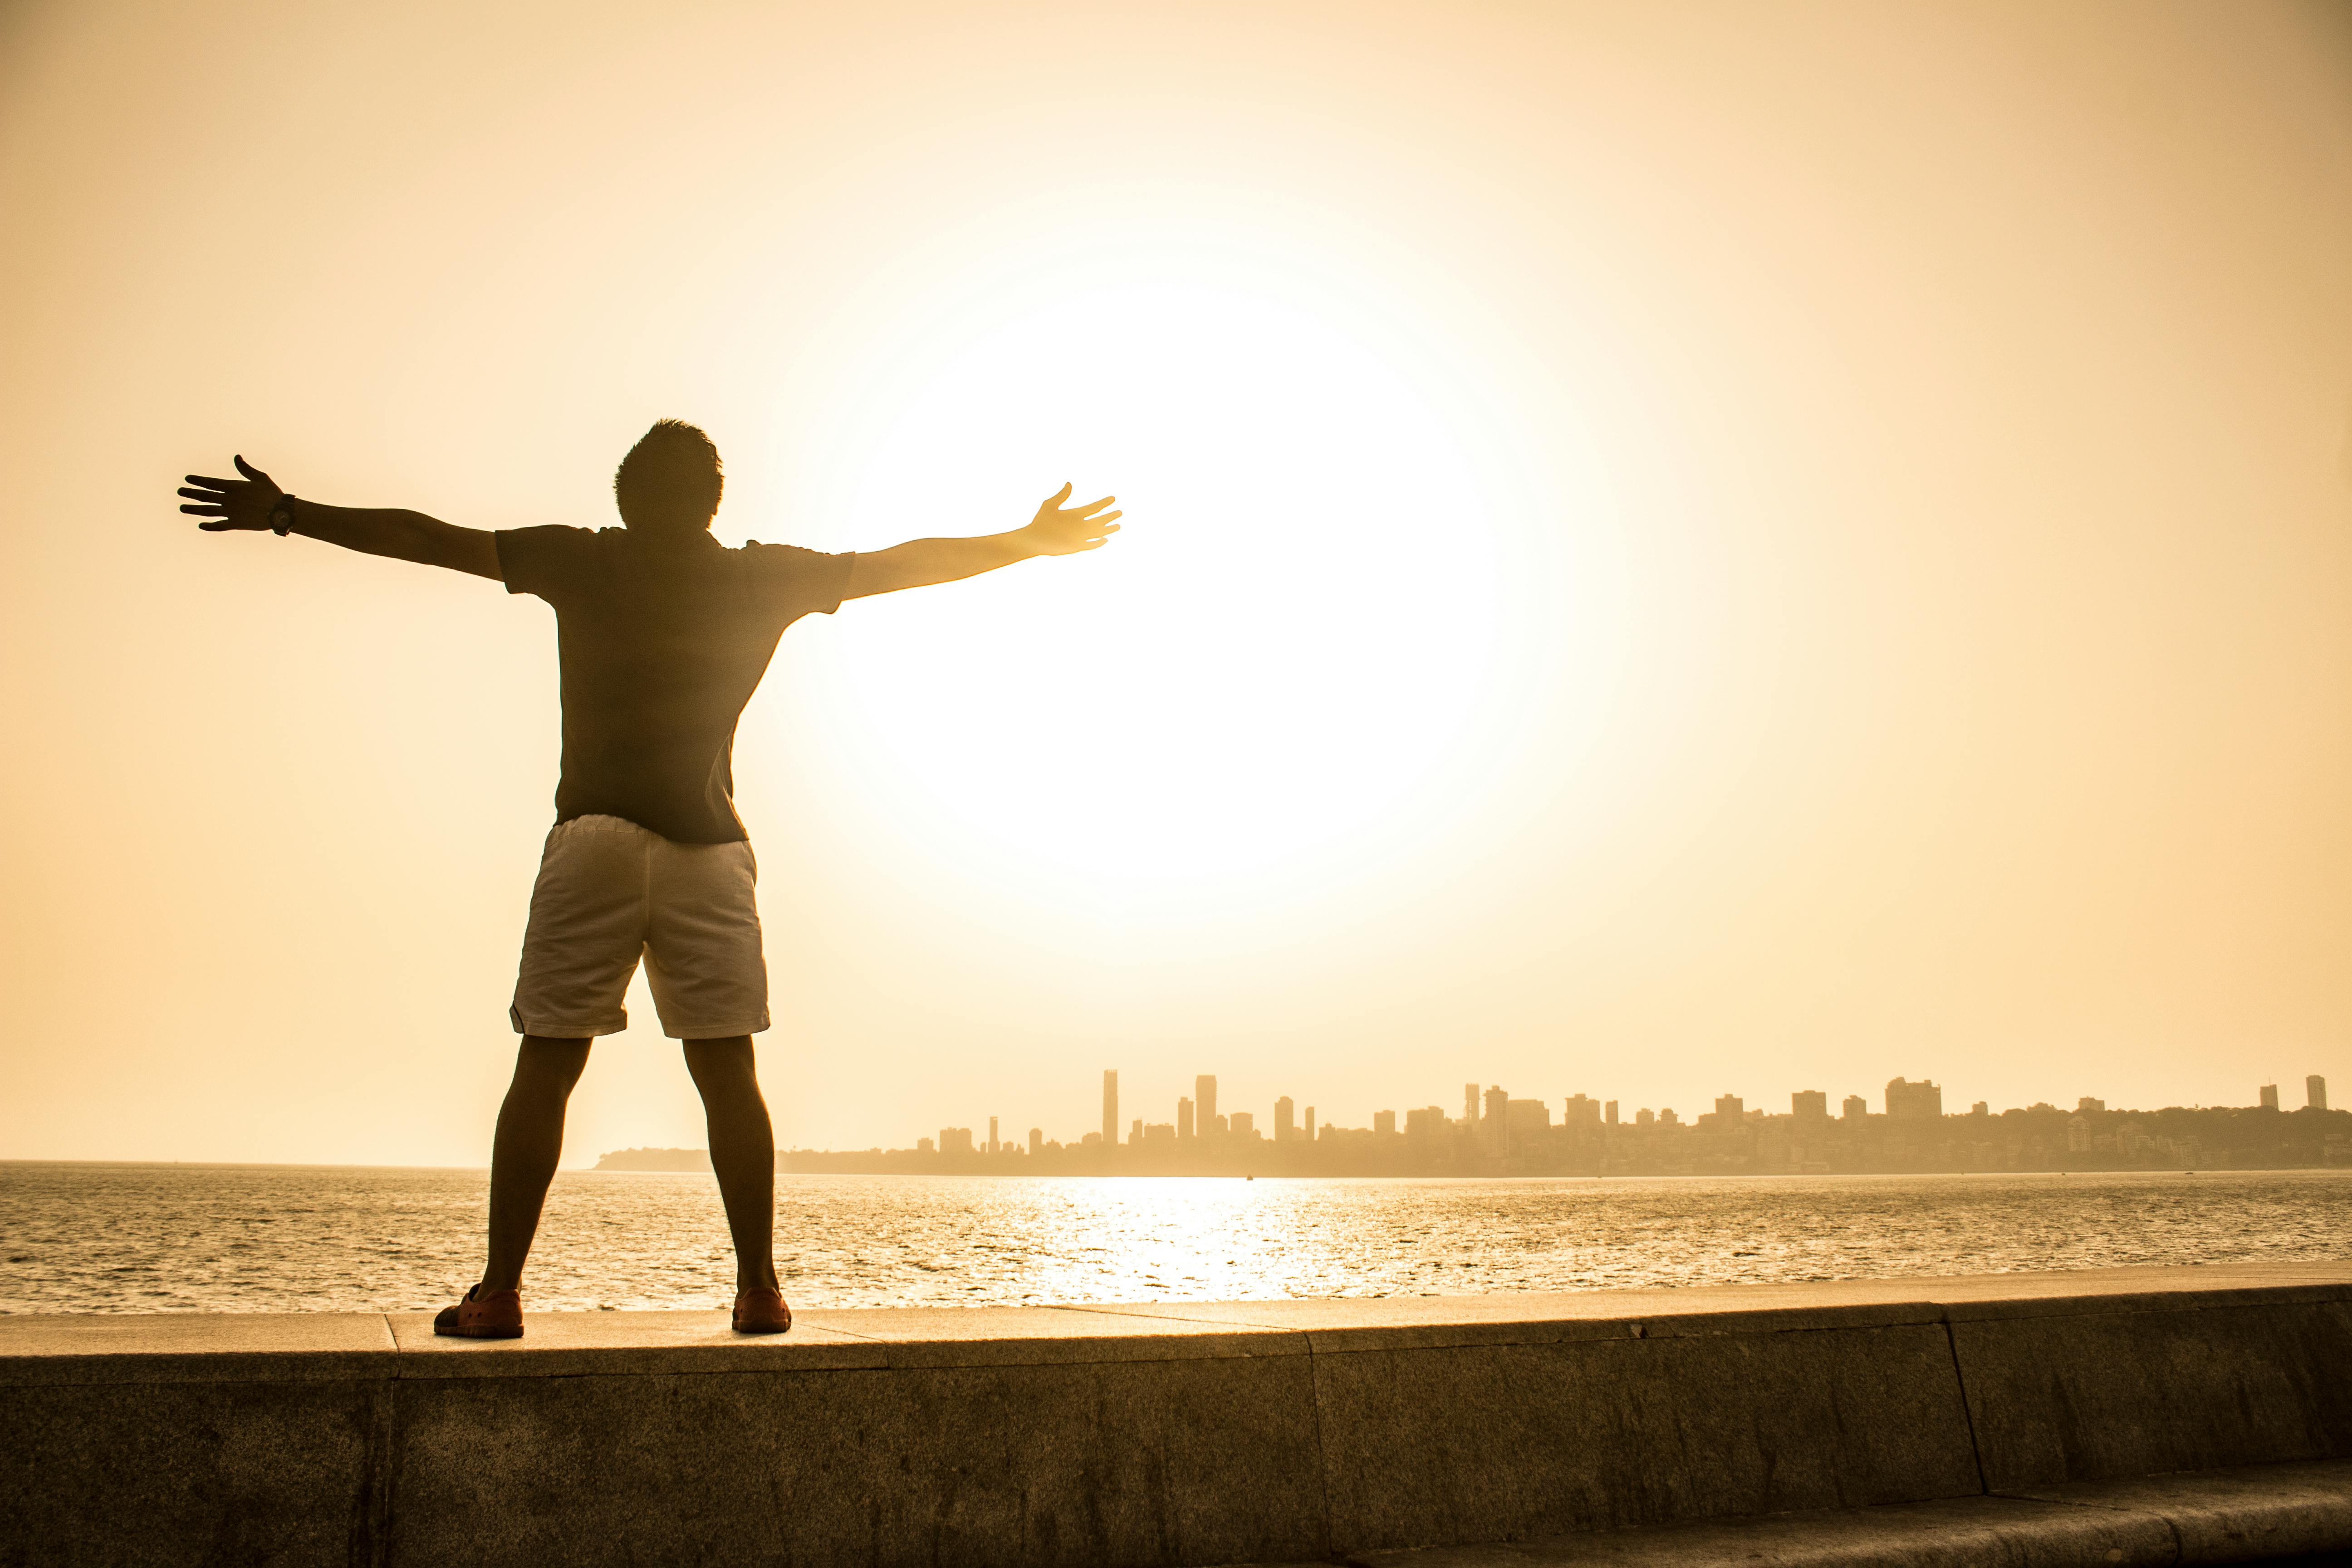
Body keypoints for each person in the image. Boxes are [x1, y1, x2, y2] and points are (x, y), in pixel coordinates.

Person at [178, 421, 1121, 1336]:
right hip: (709, 855)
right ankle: (759, 1291)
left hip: (594, 838)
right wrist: (1028, 542)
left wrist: (287, 512)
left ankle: (500, 1294)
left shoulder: (584, 560)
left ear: (625, 501)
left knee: (547, 1064)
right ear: (714, 503)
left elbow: (427, 538)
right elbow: (899, 564)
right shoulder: (760, 576)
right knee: (727, 1075)